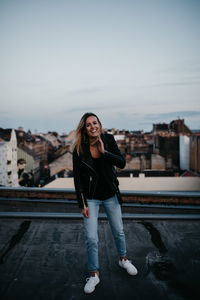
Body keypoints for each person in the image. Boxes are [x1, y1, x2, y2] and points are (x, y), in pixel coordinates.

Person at [73, 112, 138, 294]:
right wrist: (82, 203)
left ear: (99, 125)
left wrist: (105, 152)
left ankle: (123, 259)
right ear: (84, 129)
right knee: (91, 238)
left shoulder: (108, 139)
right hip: (91, 198)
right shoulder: (79, 148)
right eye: (88, 124)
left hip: (110, 194)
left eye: (95, 123)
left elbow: (122, 163)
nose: (93, 126)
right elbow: (77, 179)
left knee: (118, 231)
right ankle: (94, 274)